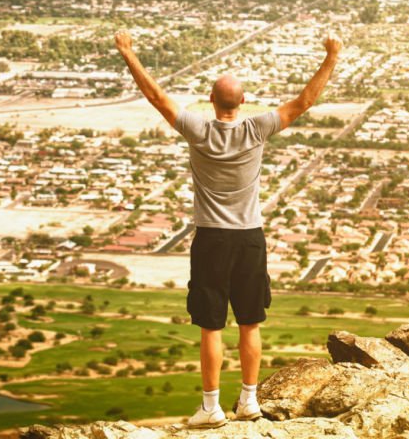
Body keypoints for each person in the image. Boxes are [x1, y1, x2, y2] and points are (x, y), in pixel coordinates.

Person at [114, 29, 342, 427]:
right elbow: (305, 101)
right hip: (250, 237)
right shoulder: (257, 130)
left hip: (211, 239)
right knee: (250, 321)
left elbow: (155, 97)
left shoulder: (198, 131)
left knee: (210, 325)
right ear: (243, 103)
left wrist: (128, 52)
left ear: (210, 100)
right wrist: (331, 56)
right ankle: (249, 401)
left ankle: (210, 407)